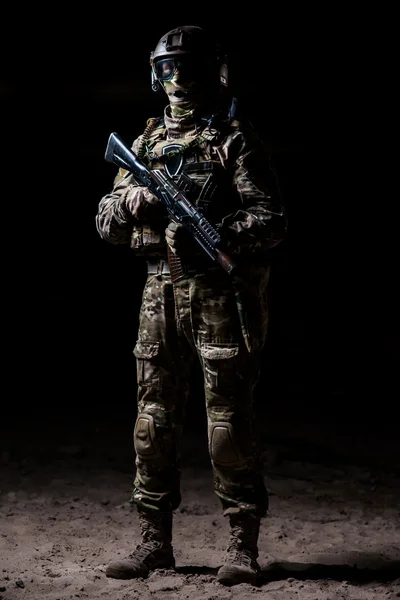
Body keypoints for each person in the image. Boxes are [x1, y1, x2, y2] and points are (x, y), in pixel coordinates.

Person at [95, 24, 287, 587]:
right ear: (157, 75)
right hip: (160, 295)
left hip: (219, 299)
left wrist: (223, 233)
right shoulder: (148, 145)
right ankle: (154, 542)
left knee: (228, 421)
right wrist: (132, 200)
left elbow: (271, 220)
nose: (178, 79)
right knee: (152, 421)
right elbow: (104, 222)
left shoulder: (235, 140)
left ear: (213, 72)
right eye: (169, 68)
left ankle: (241, 545)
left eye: (189, 68)